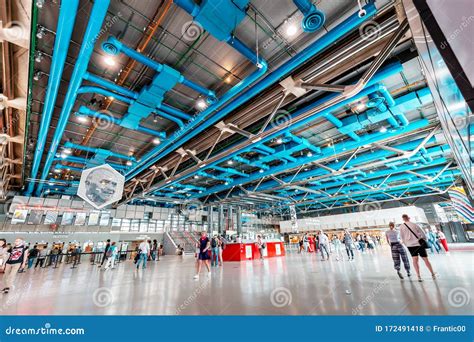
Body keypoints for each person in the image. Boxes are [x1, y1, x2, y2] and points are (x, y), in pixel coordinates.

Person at [399, 214, 436, 282]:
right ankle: (432, 274)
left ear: (403, 219)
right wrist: (424, 239)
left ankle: (419, 276)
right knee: (426, 259)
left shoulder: (401, 226)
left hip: (410, 246)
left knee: (415, 260)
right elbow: (423, 234)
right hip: (419, 244)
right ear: (409, 218)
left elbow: (402, 237)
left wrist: (407, 244)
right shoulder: (414, 224)